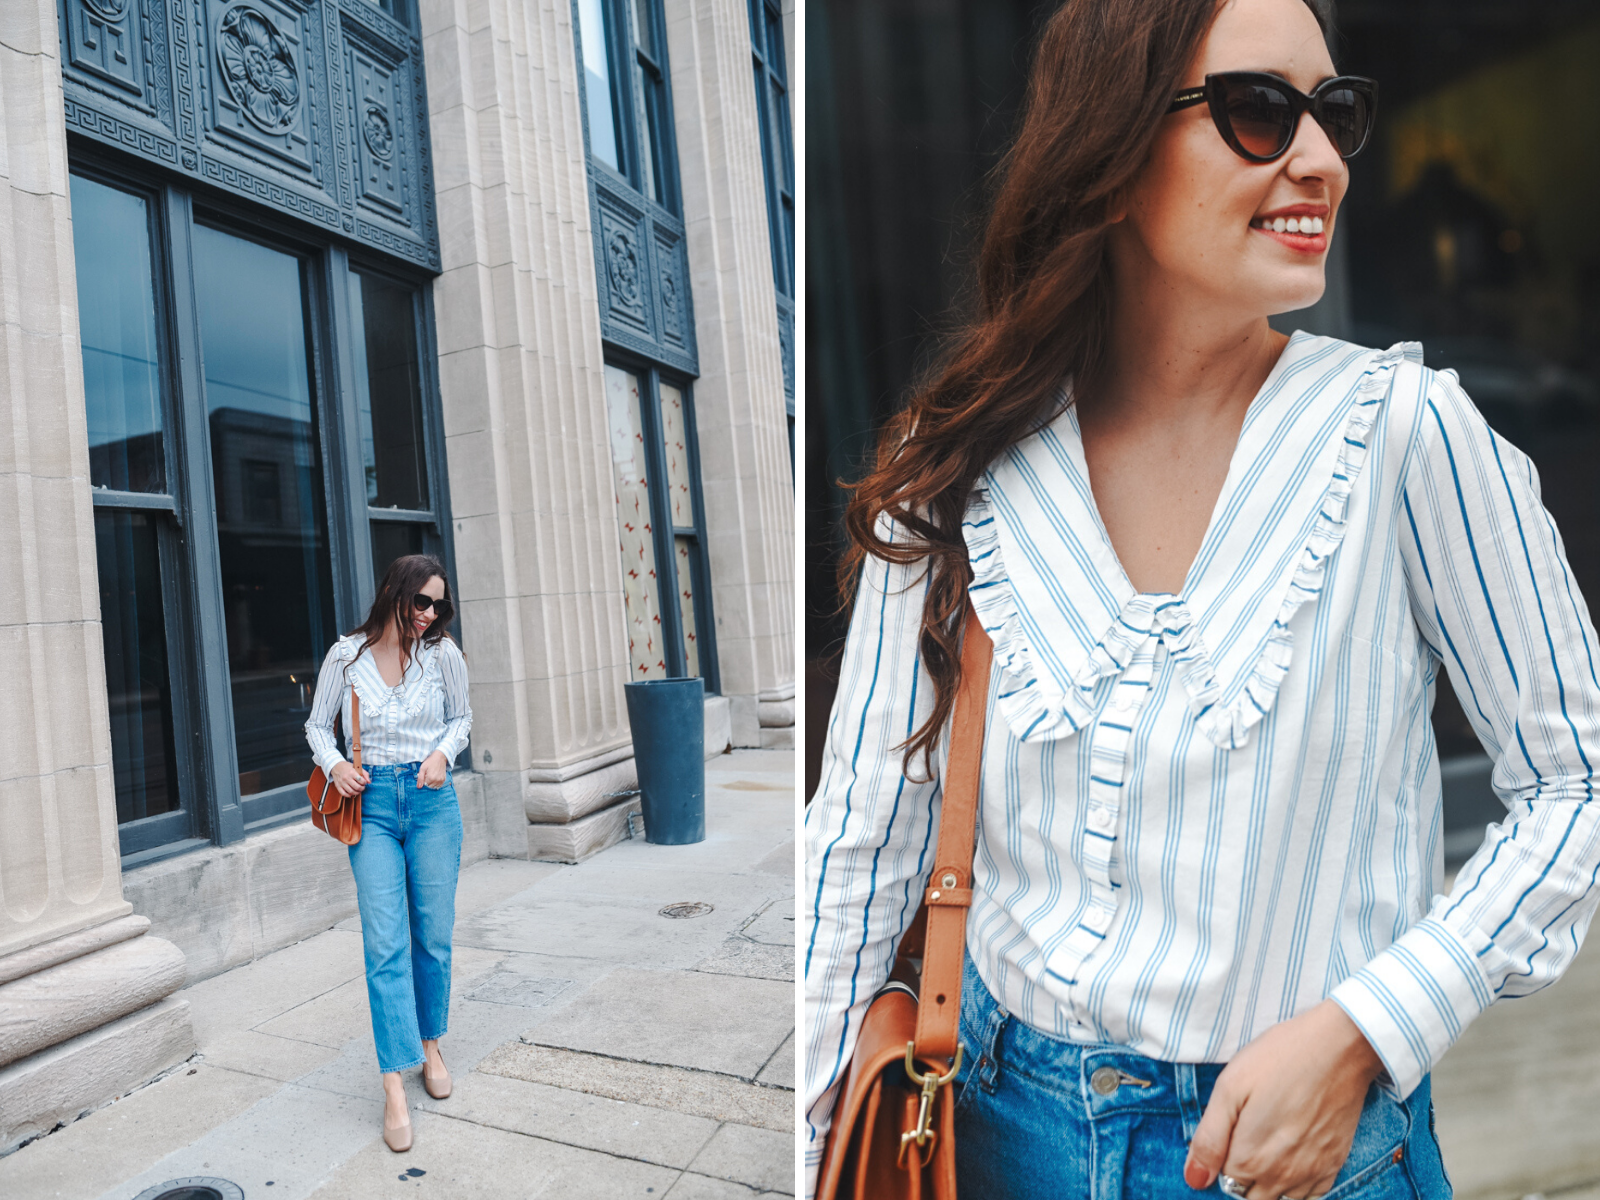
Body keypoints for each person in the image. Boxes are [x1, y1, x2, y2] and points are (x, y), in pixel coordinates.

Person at [803, 0, 1600, 1197]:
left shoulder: (1403, 438)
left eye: (1336, 113)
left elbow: (1575, 780)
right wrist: (809, 1145)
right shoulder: (960, 458)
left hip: (1308, 1158)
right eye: (1259, 109)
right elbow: (860, 846)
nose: (1321, 158)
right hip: (990, 1136)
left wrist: (1368, 1030)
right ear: (1110, 149)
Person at [305, 553, 472, 1153]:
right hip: (371, 805)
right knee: (384, 943)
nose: (430, 614)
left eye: (438, 604)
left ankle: (430, 1046)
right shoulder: (344, 656)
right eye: (421, 601)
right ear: (395, 595)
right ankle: (393, 1084)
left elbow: (461, 719)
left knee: (433, 934)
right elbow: (318, 726)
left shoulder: (443, 655)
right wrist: (338, 764)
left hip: (431, 804)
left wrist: (442, 755)